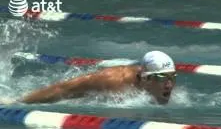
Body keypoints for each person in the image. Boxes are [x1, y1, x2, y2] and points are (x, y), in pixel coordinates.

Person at [16, 51, 177, 105]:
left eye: (172, 77)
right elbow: (62, 88)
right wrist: (19, 102)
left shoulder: (156, 85)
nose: (169, 85)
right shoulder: (114, 81)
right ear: (146, 79)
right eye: (162, 78)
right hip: (82, 90)